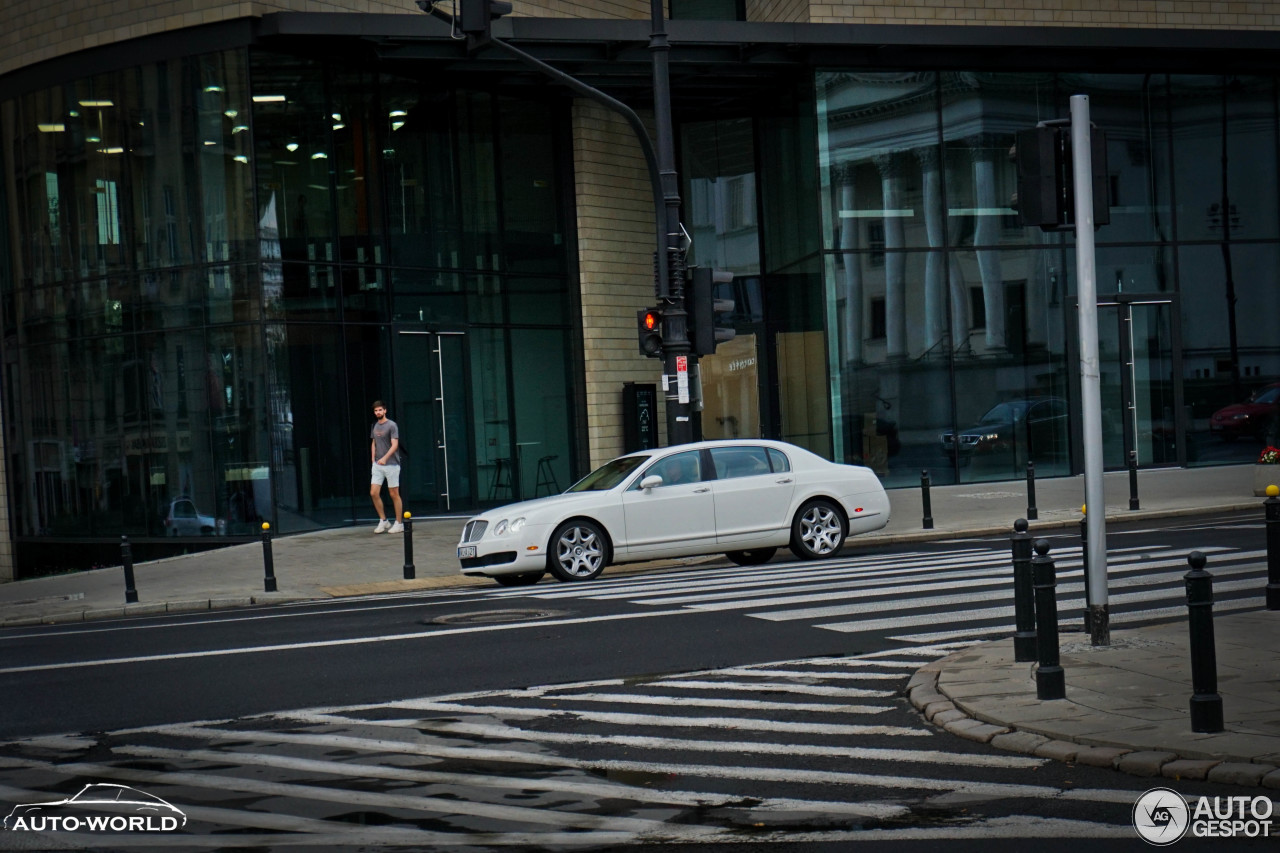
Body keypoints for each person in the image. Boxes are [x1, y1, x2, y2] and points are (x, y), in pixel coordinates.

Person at [369, 400, 404, 533]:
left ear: (385, 411)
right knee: (373, 492)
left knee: (393, 494)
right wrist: (373, 458)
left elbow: (395, 445)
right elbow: (374, 443)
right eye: (376, 410)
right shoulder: (374, 425)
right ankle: (383, 520)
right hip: (377, 465)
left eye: (380, 410)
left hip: (392, 465)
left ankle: (399, 523)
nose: (378, 412)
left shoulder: (392, 425)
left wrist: (384, 458)